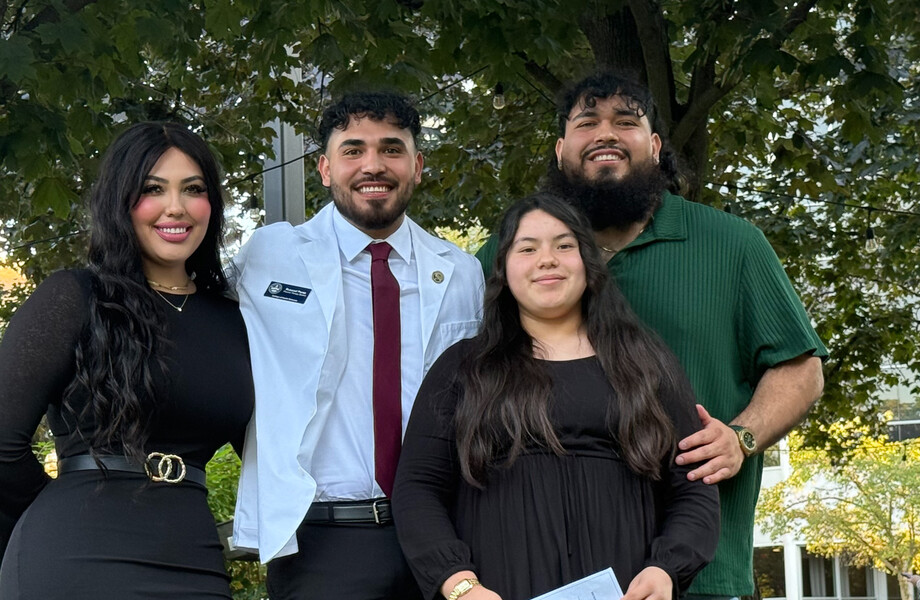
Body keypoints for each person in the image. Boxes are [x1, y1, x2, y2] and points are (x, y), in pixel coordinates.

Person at [476, 71, 827, 599]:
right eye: (586, 121)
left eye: (626, 121)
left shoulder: (731, 245)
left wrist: (743, 436)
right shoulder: (508, 257)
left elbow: (800, 368)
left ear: (657, 146)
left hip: (698, 568)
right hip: (538, 572)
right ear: (560, 149)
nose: (605, 133)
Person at [393, 193, 720, 600]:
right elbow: (417, 491)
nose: (547, 259)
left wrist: (666, 570)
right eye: (527, 248)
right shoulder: (463, 369)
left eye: (564, 246)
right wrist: (460, 585)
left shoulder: (646, 364)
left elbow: (693, 489)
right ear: (504, 269)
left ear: (588, 262)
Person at [231, 91, 484, 599]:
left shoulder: (462, 274)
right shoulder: (265, 258)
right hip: (322, 543)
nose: (374, 165)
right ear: (324, 168)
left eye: (392, 149)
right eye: (353, 150)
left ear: (417, 166)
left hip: (443, 537)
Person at [0, 122, 254, 598]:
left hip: (192, 555)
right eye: (152, 189)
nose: (175, 207)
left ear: (211, 206)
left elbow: (273, 454)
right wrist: (60, 508)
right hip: (74, 554)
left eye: (193, 189)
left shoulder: (236, 321)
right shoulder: (74, 296)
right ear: (120, 202)